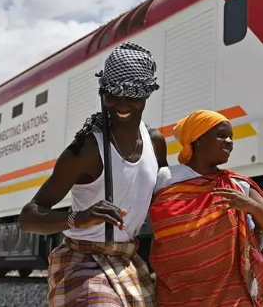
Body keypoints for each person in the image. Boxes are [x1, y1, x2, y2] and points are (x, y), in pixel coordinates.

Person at [19, 41, 167, 307]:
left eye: (132, 95)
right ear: (103, 93)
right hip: (82, 261)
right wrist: (80, 218)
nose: (122, 104)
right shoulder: (86, 150)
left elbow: (166, 200)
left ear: (147, 93)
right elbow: (28, 218)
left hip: (128, 260)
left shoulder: (155, 143)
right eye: (113, 95)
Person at [149, 109, 263, 307]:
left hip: (232, 297)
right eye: (222, 135)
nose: (229, 142)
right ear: (198, 139)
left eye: (231, 137)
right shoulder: (165, 179)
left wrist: (252, 206)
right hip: (177, 296)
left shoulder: (237, 185)